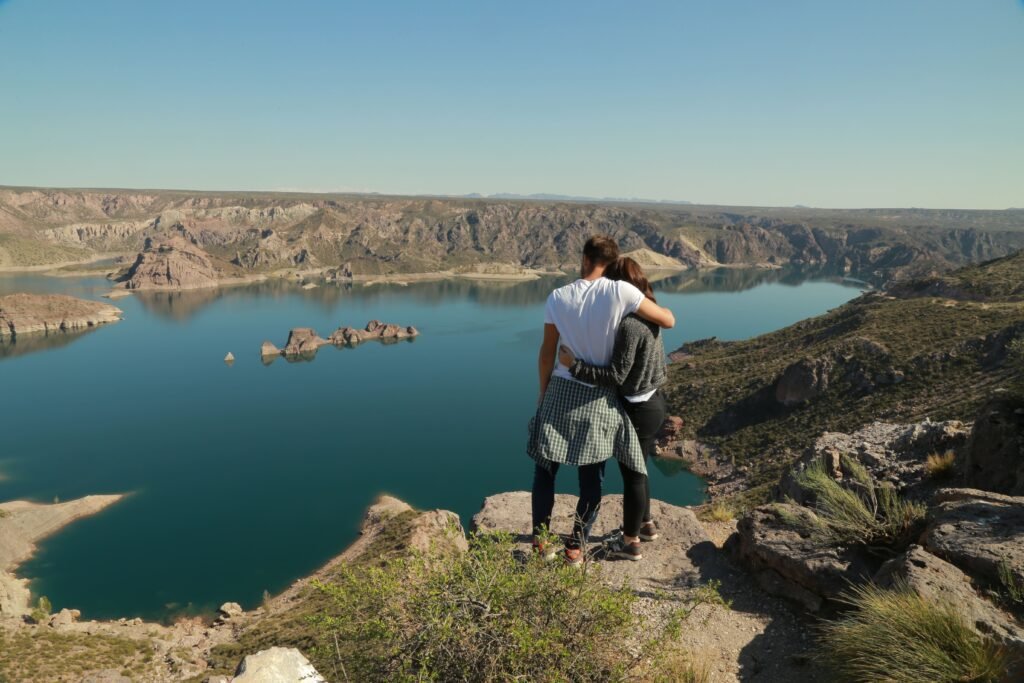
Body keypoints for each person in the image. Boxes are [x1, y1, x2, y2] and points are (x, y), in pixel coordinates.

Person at [529, 236, 675, 565]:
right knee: (590, 478)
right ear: (612, 263)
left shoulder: (557, 296)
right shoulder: (622, 293)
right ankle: (575, 548)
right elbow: (666, 320)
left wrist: (543, 391)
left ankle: (540, 543)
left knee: (544, 472)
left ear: (584, 258)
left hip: (560, 389)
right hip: (597, 397)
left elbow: (546, 353)